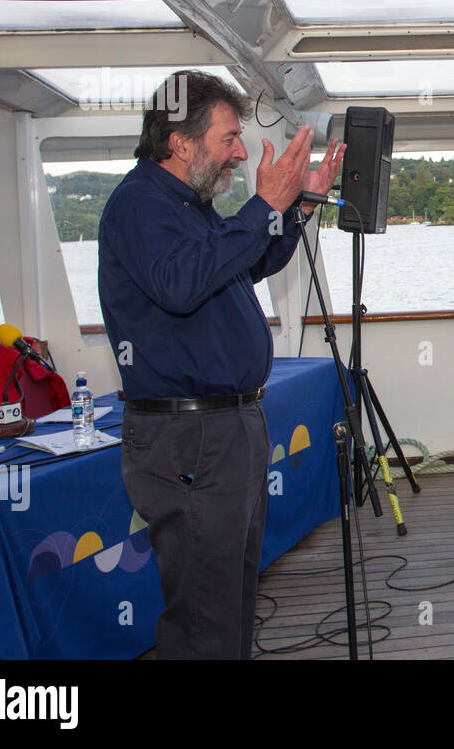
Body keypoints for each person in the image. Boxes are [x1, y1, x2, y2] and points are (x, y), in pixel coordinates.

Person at [99, 69, 344, 659]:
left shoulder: (192, 205)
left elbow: (244, 263)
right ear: (180, 143)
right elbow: (182, 284)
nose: (239, 152)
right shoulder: (140, 205)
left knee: (231, 592)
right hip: (189, 437)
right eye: (228, 138)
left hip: (226, 430)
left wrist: (297, 204)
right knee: (204, 613)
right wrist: (265, 204)